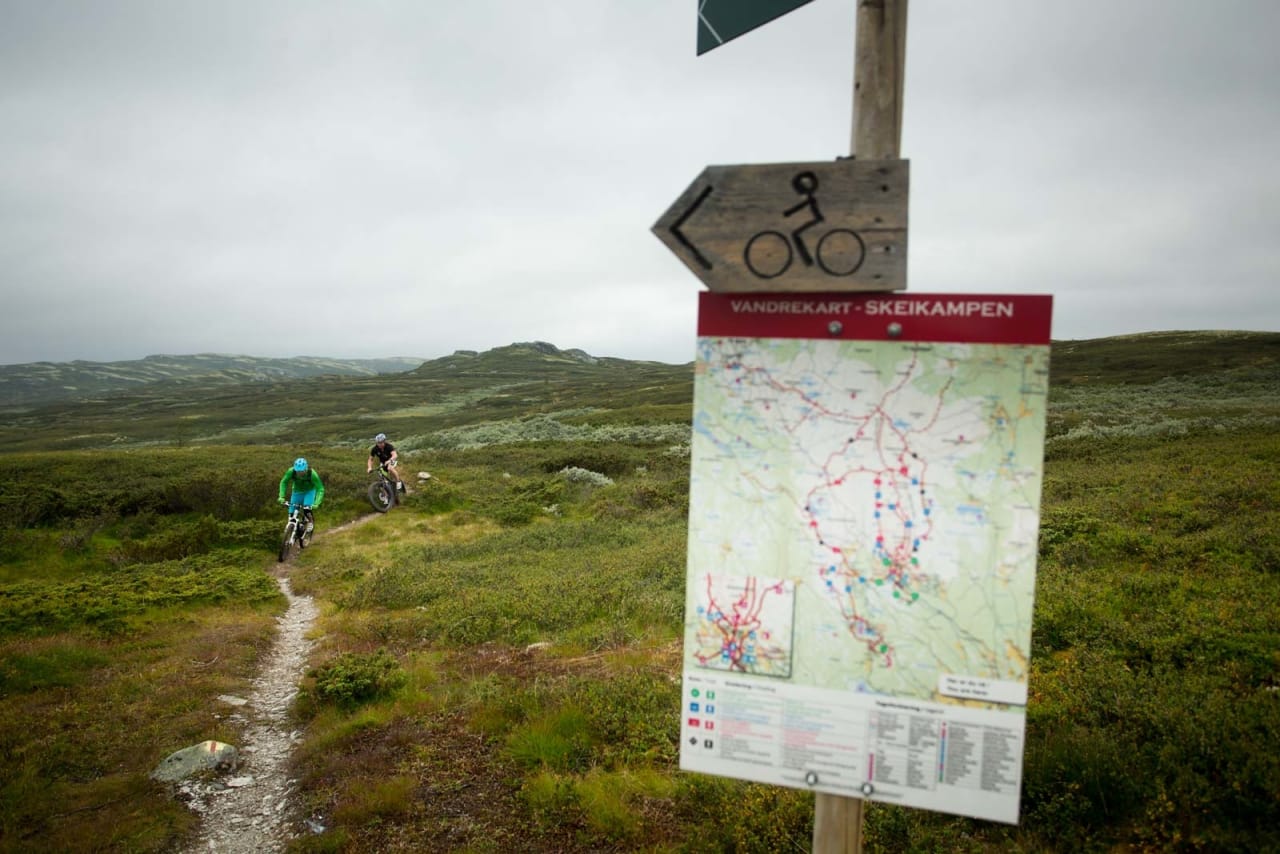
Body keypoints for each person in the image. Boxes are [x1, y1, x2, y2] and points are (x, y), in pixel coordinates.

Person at [278, 457, 325, 537]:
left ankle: (310, 521)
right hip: (296, 492)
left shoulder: (312, 474)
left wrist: (317, 503)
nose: (299, 473)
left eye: (302, 471)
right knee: (291, 513)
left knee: (307, 509)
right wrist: (281, 496)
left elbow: (320, 489)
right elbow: (283, 482)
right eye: (298, 471)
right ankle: (291, 529)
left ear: (306, 469)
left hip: (309, 492)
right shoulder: (291, 471)